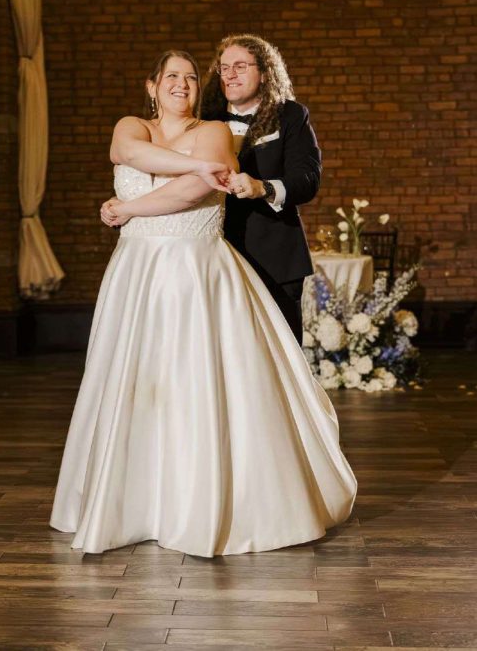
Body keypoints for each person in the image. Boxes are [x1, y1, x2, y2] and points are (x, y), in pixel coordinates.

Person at [49, 50, 356, 557]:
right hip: (136, 274)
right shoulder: (132, 125)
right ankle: (132, 501)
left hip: (198, 273)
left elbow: (194, 192)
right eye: (173, 76)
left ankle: (205, 502)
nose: (184, 83)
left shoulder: (217, 129)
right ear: (151, 86)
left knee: (205, 382)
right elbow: (133, 155)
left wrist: (127, 207)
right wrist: (199, 166)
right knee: (134, 381)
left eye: (191, 77)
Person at [202, 34, 321, 345]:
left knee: (283, 355)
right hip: (214, 256)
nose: (229, 74)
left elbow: (308, 180)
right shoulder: (204, 120)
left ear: (266, 72)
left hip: (275, 257)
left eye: (240, 66)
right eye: (223, 67)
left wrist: (263, 187)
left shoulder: (291, 115)